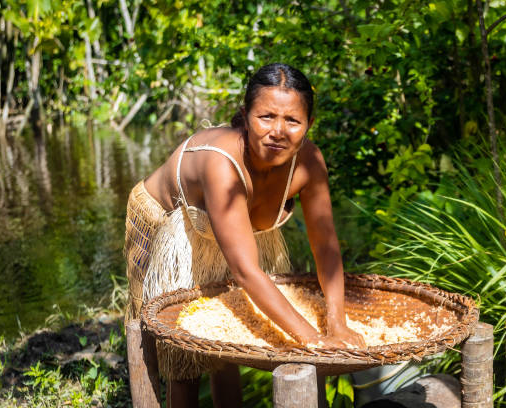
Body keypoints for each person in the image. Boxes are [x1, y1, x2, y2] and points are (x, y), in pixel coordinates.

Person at [124, 63, 365, 407]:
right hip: (168, 222)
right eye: (266, 117)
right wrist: (313, 340)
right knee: (183, 356)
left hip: (230, 229)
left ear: (309, 125)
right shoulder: (221, 163)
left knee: (226, 343)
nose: (278, 131)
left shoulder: (309, 163)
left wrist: (337, 323)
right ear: (244, 115)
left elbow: (325, 247)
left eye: (293, 121)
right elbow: (246, 271)